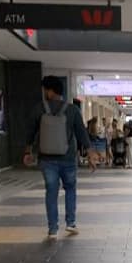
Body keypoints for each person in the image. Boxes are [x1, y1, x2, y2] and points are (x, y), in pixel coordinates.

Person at [25, 76, 99, 239]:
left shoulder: (39, 108)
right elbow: (81, 132)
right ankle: (70, 223)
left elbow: (30, 131)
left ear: (50, 91)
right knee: (70, 189)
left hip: (46, 159)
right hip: (68, 158)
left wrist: (28, 151)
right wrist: (90, 153)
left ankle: (53, 229)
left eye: (45, 90)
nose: (44, 93)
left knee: (51, 191)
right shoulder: (72, 109)